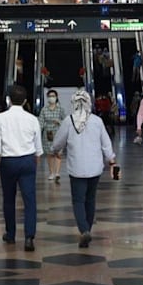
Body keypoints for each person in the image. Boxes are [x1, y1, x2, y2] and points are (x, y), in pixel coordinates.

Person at [51, 90, 116, 248]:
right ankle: (88, 228)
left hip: (77, 168)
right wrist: (112, 160)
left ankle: (84, 230)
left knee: (78, 200)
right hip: (95, 167)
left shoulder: (69, 120)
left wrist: (54, 150)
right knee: (91, 199)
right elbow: (106, 143)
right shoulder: (97, 121)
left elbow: (58, 142)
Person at [0, 85, 43, 252]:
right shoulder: (33, 119)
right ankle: (29, 237)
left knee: (9, 199)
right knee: (29, 200)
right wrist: (35, 165)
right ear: (25, 101)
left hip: (8, 162)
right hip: (27, 161)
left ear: (9, 100)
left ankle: (10, 234)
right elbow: (38, 149)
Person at [39, 88, 65, 182]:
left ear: (56, 97)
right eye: (50, 96)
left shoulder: (60, 109)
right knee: (50, 154)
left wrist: (59, 121)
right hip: (47, 134)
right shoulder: (44, 110)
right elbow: (40, 122)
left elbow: (65, 121)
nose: (51, 98)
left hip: (58, 133)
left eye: (53, 96)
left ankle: (57, 172)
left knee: (58, 153)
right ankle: (51, 172)